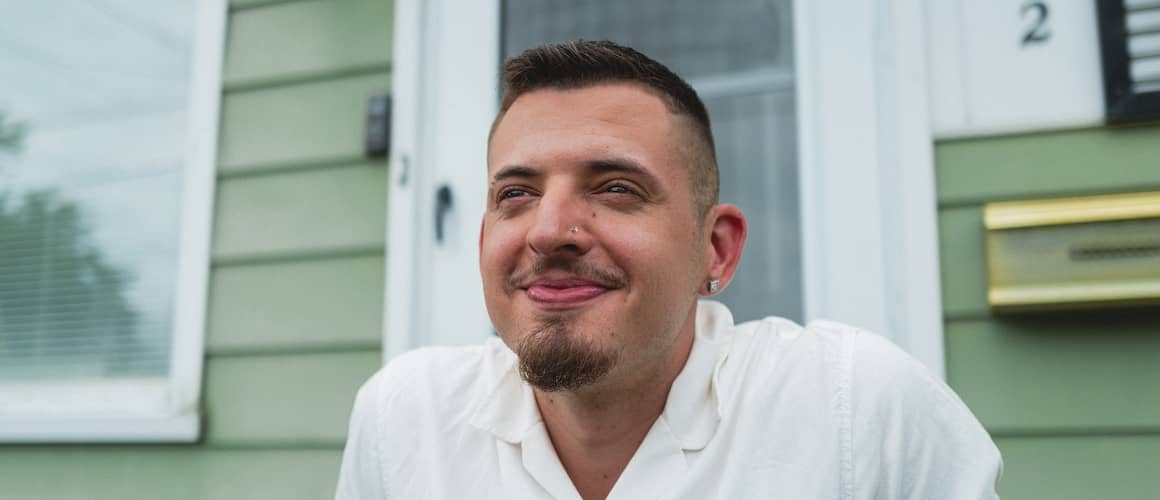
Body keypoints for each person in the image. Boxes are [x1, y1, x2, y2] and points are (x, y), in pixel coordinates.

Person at [336, 40, 1002, 500]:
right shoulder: (406, 420)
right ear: (485, 240)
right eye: (516, 194)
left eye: (616, 188)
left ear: (716, 249)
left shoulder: (855, 412)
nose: (547, 231)